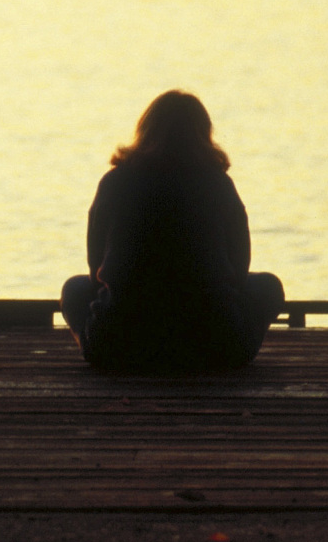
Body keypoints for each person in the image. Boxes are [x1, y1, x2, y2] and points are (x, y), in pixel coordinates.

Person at [60, 90, 285, 373]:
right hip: (218, 347)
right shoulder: (218, 184)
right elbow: (240, 267)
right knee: (267, 286)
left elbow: (95, 269)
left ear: (145, 129)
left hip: (118, 346)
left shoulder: (114, 182)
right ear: (204, 133)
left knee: (75, 288)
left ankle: (97, 344)